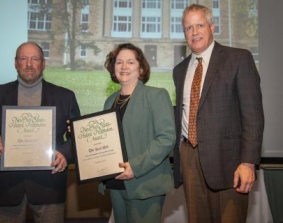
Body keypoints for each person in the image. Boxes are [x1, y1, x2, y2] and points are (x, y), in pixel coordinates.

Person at [0, 42, 80, 223]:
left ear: (43, 64)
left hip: (50, 185)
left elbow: (76, 135)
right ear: (15, 63)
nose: (29, 64)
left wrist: (66, 154)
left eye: (35, 59)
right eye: (23, 58)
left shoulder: (65, 97)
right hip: (7, 187)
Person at [172, 4, 264, 223]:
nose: (194, 32)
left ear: (212, 26)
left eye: (199, 25)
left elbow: (253, 115)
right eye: (188, 28)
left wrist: (248, 162)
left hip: (229, 161)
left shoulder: (238, 58)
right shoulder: (179, 70)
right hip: (189, 157)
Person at [100, 43, 176, 223]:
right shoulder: (110, 101)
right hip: (116, 182)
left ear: (141, 69)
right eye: (119, 62)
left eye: (130, 62)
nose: (124, 67)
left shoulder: (156, 95)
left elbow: (167, 138)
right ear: (113, 68)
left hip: (145, 183)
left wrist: (135, 166)